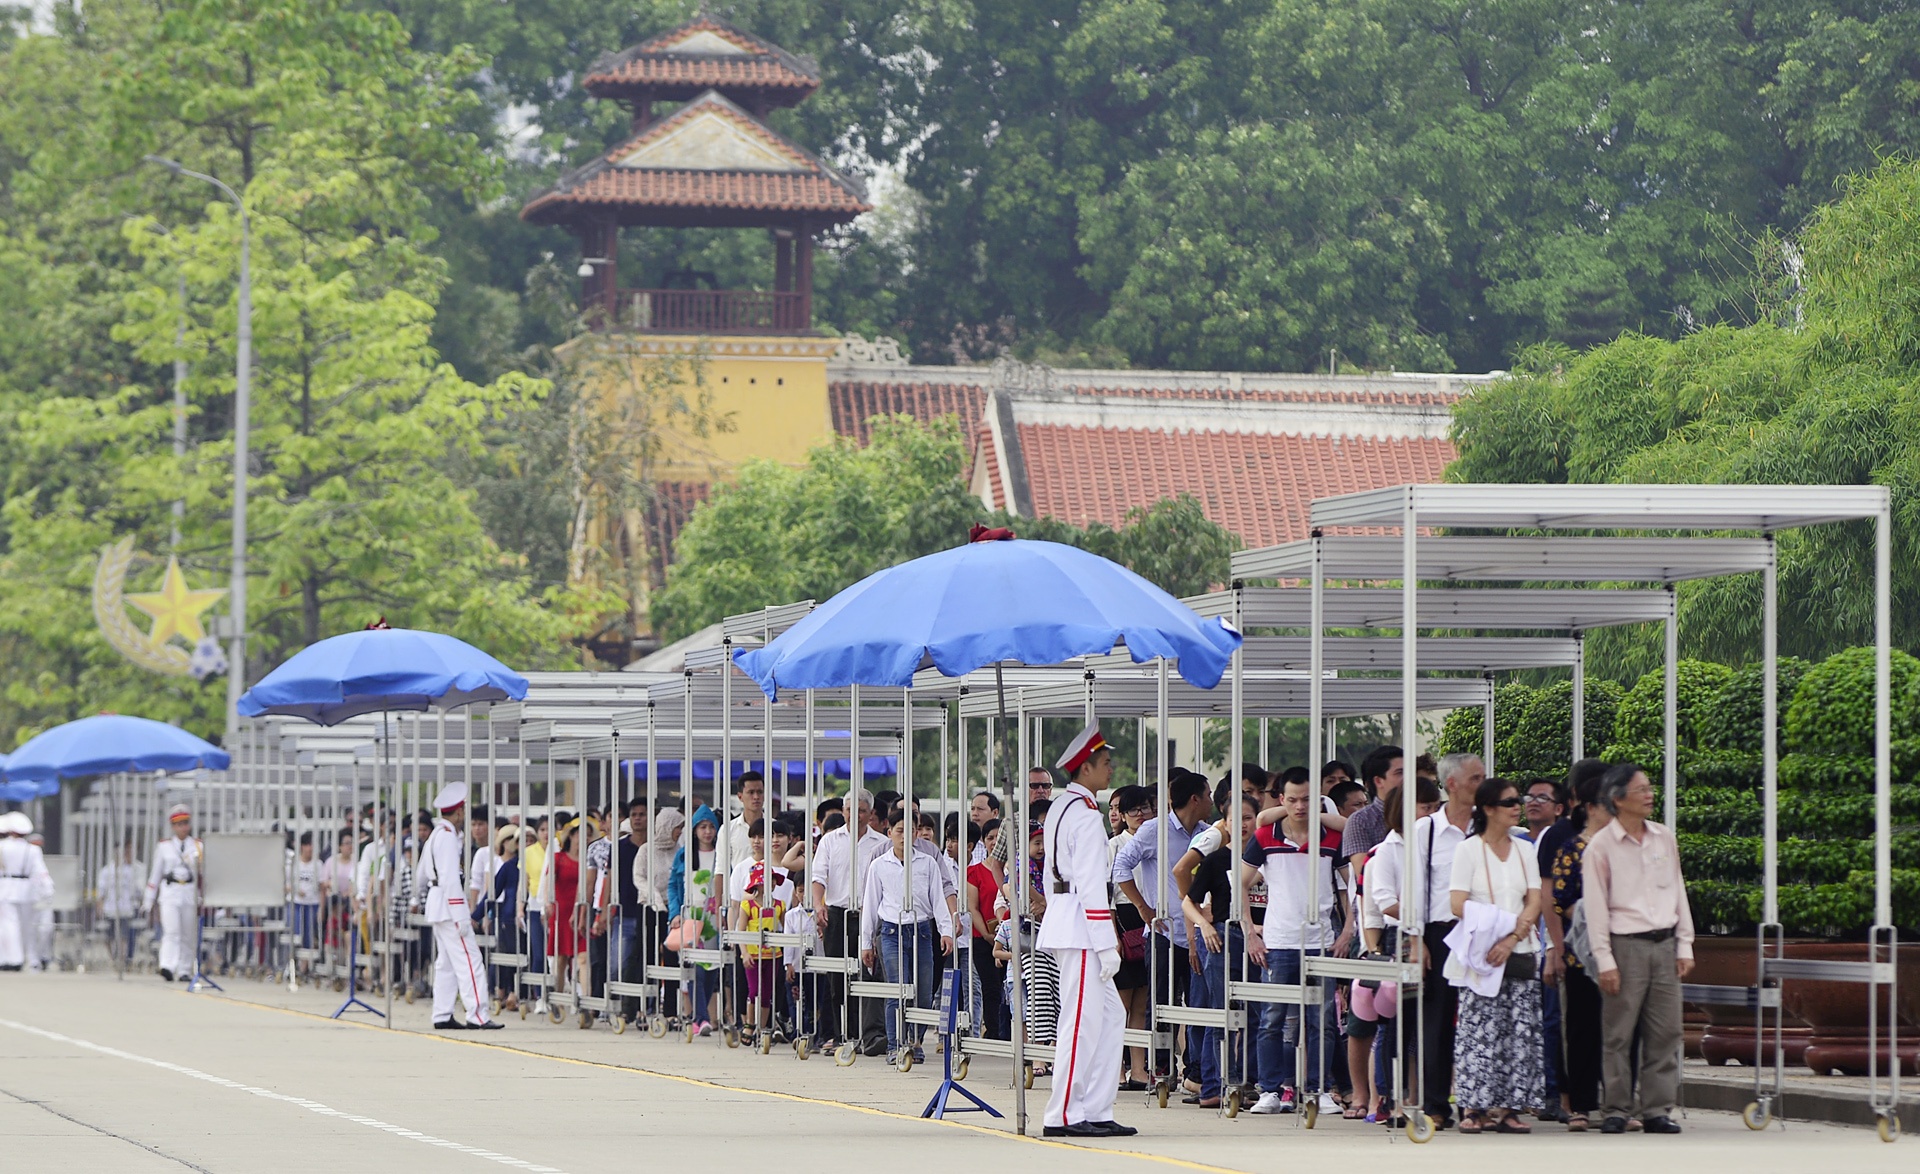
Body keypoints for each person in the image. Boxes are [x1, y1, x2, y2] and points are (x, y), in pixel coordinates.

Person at [1038, 725, 1136, 1139]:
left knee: (1111, 1017)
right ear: (1087, 768)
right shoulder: (1085, 816)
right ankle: (1063, 1113)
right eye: (1106, 763)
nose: (1111, 769)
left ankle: (1095, 1106)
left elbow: (1049, 876)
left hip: (1069, 917)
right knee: (1081, 1023)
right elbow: (1093, 885)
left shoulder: (1062, 807)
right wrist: (1105, 942)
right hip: (1081, 926)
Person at [1585, 763, 1693, 1136]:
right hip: (1625, 945)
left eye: (1649, 788)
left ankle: (1657, 1109)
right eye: (1641, 790)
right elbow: (1596, 906)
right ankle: (1616, 1107)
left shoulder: (1664, 837)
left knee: (1667, 1032)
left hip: (1664, 943)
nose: (1649, 795)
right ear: (1618, 799)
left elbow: (1678, 889)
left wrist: (1686, 944)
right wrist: (1604, 959)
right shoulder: (1600, 846)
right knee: (1619, 1032)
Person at [1240, 771, 1349, 1115]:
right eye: (1292, 799)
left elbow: (1350, 888)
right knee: (1272, 1018)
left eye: (1307, 799)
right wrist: (1249, 933)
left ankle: (1318, 1089)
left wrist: (1348, 930)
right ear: (1281, 800)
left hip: (1322, 941)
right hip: (1278, 940)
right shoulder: (1263, 836)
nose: (1299, 806)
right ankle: (1270, 1090)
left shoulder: (1331, 837)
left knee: (1323, 1020)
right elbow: (1240, 884)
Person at [1445, 777, 1543, 1133]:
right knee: (1478, 1031)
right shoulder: (1468, 849)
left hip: (1519, 949)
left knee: (1518, 1033)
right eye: (1510, 802)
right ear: (1488, 809)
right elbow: (1457, 902)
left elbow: (1534, 900)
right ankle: (1474, 1106)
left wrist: (1513, 935)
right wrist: (1497, 931)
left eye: (1519, 800)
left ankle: (1509, 1107)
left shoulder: (1525, 849)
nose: (1518, 806)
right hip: (1481, 954)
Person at [1111, 768, 1212, 1086]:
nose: (1211, 801)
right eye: (1208, 796)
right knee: (1161, 1005)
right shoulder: (1154, 830)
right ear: (1195, 799)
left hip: (1197, 933)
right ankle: (1162, 1070)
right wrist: (1143, 906)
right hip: (1163, 933)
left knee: (1198, 1005)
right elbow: (1120, 866)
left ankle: (1194, 1070)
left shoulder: (1207, 833)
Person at [1412, 752, 1484, 1129]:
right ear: (1451, 784)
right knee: (1437, 1020)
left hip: (1483, 930)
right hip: (1439, 933)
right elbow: (1415, 889)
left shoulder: (1486, 826)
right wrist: (1417, 939)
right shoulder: (1427, 830)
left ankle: (1478, 1103)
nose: (1482, 785)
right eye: (1475, 779)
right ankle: (1435, 1104)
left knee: (1479, 1020)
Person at [860, 805, 953, 1064]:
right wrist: (866, 942)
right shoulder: (880, 865)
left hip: (922, 930)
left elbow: (938, 899)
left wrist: (946, 931)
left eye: (910, 831)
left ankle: (916, 1041)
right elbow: (870, 904)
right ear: (889, 832)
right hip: (891, 930)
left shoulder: (928, 863)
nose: (905, 836)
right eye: (899, 831)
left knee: (924, 991)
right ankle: (895, 1044)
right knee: (898, 988)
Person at [1182, 792, 1258, 1109]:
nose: (1240, 825)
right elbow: (1188, 901)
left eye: (1248, 818)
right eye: (1233, 819)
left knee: (1257, 1015)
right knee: (1220, 1014)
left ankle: (1250, 1082)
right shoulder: (1215, 859)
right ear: (1224, 822)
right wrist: (1206, 926)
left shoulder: (1269, 854)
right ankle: (1215, 1085)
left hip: (1263, 940)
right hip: (1225, 938)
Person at [1545, 765, 1611, 1131]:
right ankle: (1582, 1104)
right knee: (1582, 1027)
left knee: (1620, 1029)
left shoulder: (1628, 843)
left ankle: (1621, 1101)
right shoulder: (1569, 845)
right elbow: (1558, 898)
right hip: (1581, 950)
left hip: (1624, 946)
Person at [418, 783, 500, 1030]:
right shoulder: (446, 837)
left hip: (437, 902)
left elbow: (422, 873)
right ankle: (478, 1015)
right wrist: (461, 915)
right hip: (448, 904)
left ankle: (442, 1014)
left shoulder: (436, 835)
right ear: (460, 811)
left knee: (446, 962)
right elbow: (451, 879)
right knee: (470, 959)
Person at [811, 791, 888, 1052]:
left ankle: (864, 1034)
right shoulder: (830, 840)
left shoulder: (880, 842)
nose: (854, 815)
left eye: (861, 810)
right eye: (849, 809)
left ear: (870, 814)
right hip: (837, 914)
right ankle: (837, 1033)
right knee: (836, 977)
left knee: (867, 974)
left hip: (868, 915)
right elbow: (818, 877)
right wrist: (818, 905)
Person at [1105, 784, 1153, 1086]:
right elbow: (1107, 893)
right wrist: (1112, 935)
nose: (1138, 814)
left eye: (1144, 808)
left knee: (1140, 1005)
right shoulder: (1115, 845)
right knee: (1119, 1005)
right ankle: (1115, 1069)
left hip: (1148, 917)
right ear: (1122, 815)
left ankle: (1138, 1069)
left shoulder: (1156, 840)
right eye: (1131, 809)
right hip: (1123, 919)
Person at [736, 817, 795, 1045]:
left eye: (772, 881)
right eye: (765, 881)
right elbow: (740, 930)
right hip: (753, 954)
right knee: (754, 990)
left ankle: (763, 1028)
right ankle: (750, 1025)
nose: (769, 885)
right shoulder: (747, 905)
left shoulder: (779, 905)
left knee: (768, 992)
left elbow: (783, 928)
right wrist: (744, 953)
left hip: (774, 955)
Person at [668, 805, 722, 1032]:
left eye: (711, 827)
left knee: (712, 968)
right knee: (695, 967)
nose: (707, 832)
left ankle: (701, 1017)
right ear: (694, 830)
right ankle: (700, 1018)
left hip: (715, 918)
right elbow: (673, 885)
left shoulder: (721, 854)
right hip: (691, 915)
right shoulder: (684, 855)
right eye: (702, 827)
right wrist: (675, 913)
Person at [142, 805, 203, 982]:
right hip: (170, 892)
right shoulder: (164, 847)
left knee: (187, 933)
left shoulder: (197, 846)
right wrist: (148, 900)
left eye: (185, 823)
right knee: (171, 931)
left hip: (189, 893)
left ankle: (184, 969)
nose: (183, 827)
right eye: (179, 824)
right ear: (173, 826)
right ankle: (167, 966)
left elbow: (203, 873)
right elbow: (155, 875)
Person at [97, 834, 145, 969]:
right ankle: (113, 958)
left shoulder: (134, 869)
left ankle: (122, 959)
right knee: (108, 936)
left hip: (127, 908)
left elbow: (139, 891)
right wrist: (99, 907)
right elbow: (101, 892)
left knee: (124, 934)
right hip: (110, 908)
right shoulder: (107, 870)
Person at [288, 832, 323, 973]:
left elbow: (321, 888)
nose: (310, 848)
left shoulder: (318, 864)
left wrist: (321, 908)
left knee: (309, 935)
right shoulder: (294, 863)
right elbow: (286, 883)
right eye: (308, 845)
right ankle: (292, 963)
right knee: (296, 933)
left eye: (312, 845)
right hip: (297, 903)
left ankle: (304, 967)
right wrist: (296, 889)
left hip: (312, 903)